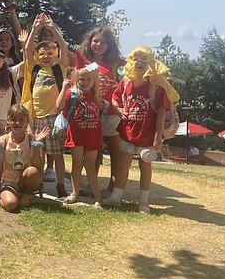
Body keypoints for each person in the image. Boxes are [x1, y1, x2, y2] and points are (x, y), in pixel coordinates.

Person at [106, 46, 179, 214]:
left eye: (144, 58)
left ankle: (143, 202)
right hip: (128, 132)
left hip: (148, 135)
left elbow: (161, 111)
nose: (139, 62)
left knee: (145, 166)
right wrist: (119, 110)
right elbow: (115, 98)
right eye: (136, 58)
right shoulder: (125, 82)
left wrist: (158, 136)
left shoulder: (157, 85)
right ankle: (116, 198)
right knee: (123, 165)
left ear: (151, 62)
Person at [21, 14, 70, 198]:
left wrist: (53, 28)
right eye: (42, 54)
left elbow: (64, 46)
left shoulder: (59, 67)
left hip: (53, 116)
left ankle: (59, 185)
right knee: (37, 152)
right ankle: (38, 182)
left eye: (50, 54)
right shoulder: (34, 68)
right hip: (36, 117)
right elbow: (27, 49)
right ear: (38, 56)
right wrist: (34, 28)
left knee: (57, 154)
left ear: (55, 54)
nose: (46, 57)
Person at [79, 27, 125, 191]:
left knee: (115, 151)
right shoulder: (84, 62)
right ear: (89, 42)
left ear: (110, 44)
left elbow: (134, 79)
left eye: (104, 42)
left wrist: (120, 85)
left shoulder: (117, 64)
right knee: (93, 150)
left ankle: (113, 186)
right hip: (90, 111)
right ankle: (92, 184)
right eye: (95, 40)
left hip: (111, 113)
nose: (99, 44)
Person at [56, 66, 105, 209]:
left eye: (89, 79)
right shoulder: (72, 93)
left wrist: (98, 96)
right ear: (76, 79)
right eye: (82, 79)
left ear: (94, 80)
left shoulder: (96, 93)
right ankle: (74, 193)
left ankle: (98, 198)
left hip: (92, 135)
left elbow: (101, 107)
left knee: (90, 165)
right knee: (77, 164)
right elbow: (59, 106)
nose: (85, 82)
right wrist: (64, 88)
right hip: (76, 135)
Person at [0, 104, 49, 212]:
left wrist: (36, 144)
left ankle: (25, 195)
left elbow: (37, 166)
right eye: (14, 119)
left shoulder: (31, 139)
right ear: (8, 121)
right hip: (8, 181)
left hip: (23, 180)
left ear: (27, 121)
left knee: (33, 171)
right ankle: (2, 196)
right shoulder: (2, 141)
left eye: (21, 119)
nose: (17, 123)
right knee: (10, 205)